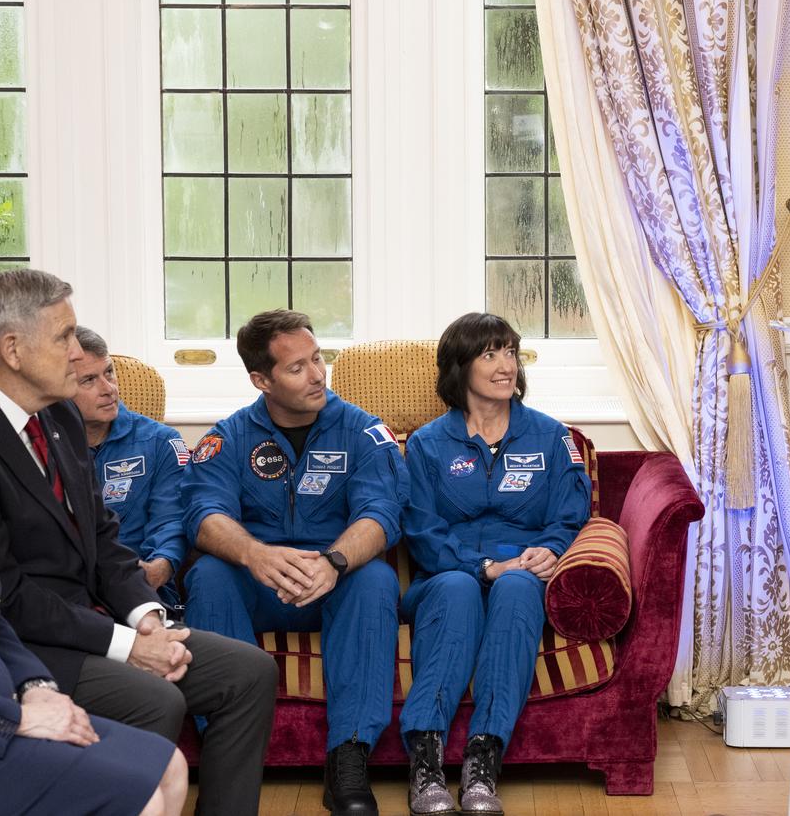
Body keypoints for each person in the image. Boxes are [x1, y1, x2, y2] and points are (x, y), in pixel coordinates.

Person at [0, 269, 279, 816]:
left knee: (249, 673)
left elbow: (102, 535)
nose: (77, 351)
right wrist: (126, 646)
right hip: (32, 642)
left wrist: (146, 617)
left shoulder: (60, 415)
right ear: (13, 350)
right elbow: (6, 595)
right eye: (64, 336)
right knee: (155, 698)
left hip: (101, 620)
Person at [0, 314, 188, 816]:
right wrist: (14, 717)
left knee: (170, 766)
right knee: (142, 794)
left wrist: (36, 687)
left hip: (1, 692)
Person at [179, 309, 408, 816]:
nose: (318, 375)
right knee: (209, 574)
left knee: (375, 578)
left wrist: (333, 562)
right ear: (261, 380)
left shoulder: (364, 432)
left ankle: (349, 757)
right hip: (260, 581)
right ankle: (227, 756)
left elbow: (382, 513)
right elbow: (202, 514)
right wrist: (254, 554)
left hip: (335, 582)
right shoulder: (229, 437)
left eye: (318, 359)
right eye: (297, 367)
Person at [399, 313, 591, 816]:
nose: (506, 365)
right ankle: (426, 761)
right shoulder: (426, 445)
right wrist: (482, 566)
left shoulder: (550, 437)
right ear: (459, 368)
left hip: (521, 575)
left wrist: (550, 549)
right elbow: (422, 531)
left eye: (510, 352)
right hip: (446, 577)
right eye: (490, 354)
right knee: (459, 588)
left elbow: (570, 515)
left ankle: (483, 762)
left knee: (519, 586)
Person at [72, 326, 190, 609]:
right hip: (71, 594)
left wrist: (161, 565)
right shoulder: (42, 445)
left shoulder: (160, 441)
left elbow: (172, 519)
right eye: (89, 380)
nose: (109, 389)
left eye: (109, 372)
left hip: (142, 588)